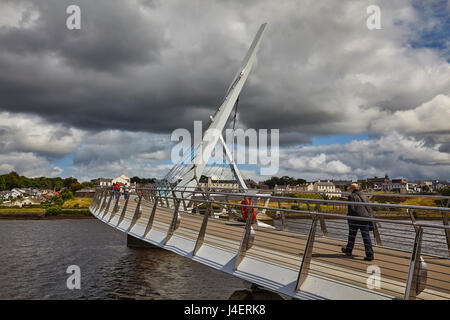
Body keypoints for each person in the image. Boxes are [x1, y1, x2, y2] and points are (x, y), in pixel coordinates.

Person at [341, 183, 374, 261]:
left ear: (352, 188)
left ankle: (349, 251)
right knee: (366, 237)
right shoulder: (364, 195)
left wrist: (349, 218)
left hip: (355, 219)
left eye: (349, 188)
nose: (349, 189)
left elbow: (351, 209)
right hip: (365, 218)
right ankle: (370, 254)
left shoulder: (351, 196)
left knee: (352, 235)